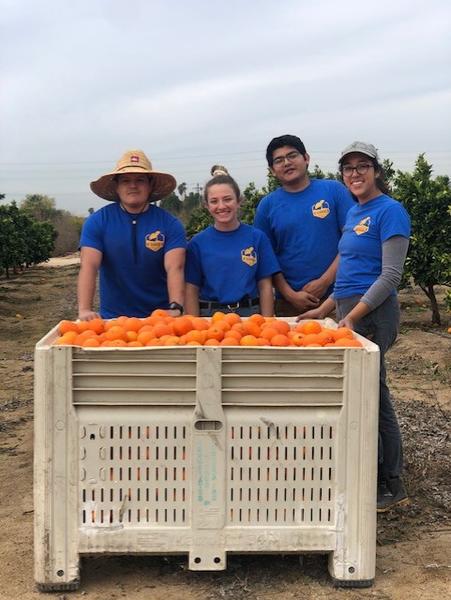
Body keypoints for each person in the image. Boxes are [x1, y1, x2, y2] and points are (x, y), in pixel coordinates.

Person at [298, 141, 411, 512]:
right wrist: (326, 311)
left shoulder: (389, 211)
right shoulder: (355, 213)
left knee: (374, 398)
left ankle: (391, 483)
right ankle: (368, 472)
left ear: (377, 171)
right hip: (351, 308)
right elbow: (347, 275)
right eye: (348, 168)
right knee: (361, 396)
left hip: (375, 313)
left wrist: (355, 316)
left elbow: (390, 275)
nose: (355, 174)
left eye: (363, 166)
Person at [78, 149, 186, 320]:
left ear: (150, 185)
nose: (133, 185)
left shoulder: (170, 224)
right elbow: (89, 266)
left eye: (140, 180)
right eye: (126, 180)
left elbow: (175, 267)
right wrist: (84, 310)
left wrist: (176, 306)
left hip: (159, 319)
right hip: (113, 319)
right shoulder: (97, 222)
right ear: (116, 187)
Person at [254, 134, 355, 316]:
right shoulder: (267, 206)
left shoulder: (334, 191)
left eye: (292, 156)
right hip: (289, 305)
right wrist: (289, 294)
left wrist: (325, 281)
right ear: (272, 170)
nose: (286, 163)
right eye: (279, 160)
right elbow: (266, 258)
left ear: (306, 158)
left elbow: (353, 240)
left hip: (339, 298)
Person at [185, 165, 280, 317]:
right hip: (211, 317)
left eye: (227, 199)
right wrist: (193, 327)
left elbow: (265, 286)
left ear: (239, 201)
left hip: (250, 315)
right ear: (207, 206)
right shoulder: (197, 243)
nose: (221, 206)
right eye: (214, 201)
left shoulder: (257, 238)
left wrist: (267, 323)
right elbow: (191, 289)